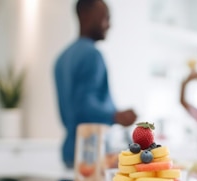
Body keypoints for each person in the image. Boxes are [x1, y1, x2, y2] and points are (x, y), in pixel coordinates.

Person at [54, 0, 137, 169]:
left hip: (70, 151)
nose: (109, 25)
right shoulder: (92, 55)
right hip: (91, 154)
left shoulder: (61, 59)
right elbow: (84, 106)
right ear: (84, 15)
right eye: (105, 18)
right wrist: (116, 116)